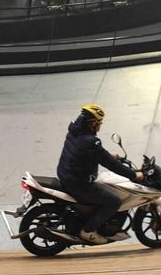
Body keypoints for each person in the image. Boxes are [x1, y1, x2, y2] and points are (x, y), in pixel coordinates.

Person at [55, 104, 143, 245]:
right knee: (113, 201)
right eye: (100, 123)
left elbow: (93, 154)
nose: (100, 125)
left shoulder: (75, 131)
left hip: (65, 174)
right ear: (93, 123)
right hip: (79, 183)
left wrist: (108, 155)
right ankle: (88, 230)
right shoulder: (91, 141)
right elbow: (110, 164)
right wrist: (133, 175)